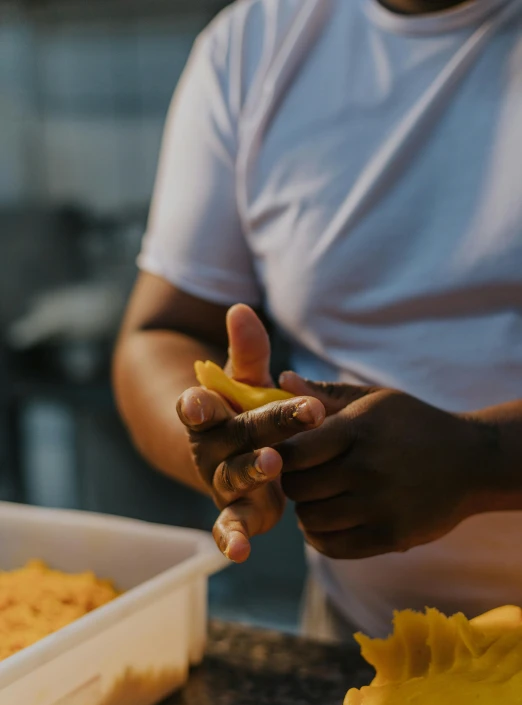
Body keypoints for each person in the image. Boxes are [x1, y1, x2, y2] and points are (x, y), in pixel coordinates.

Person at [113, 0, 522, 640]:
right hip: (363, 644)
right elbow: (159, 333)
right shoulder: (253, 45)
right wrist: (224, 443)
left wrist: (485, 462)